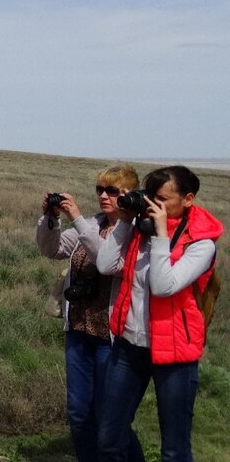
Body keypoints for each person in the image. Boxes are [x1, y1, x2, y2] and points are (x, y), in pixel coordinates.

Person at [95, 165, 223, 462]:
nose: (153, 204)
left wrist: (162, 234)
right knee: (109, 438)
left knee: (174, 449)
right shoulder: (141, 226)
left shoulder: (202, 243)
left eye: (162, 199)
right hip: (129, 347)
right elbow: (104, 265)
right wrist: (125, 223)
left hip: (175, 354)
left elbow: (164, 286)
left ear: (188, 199)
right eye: (150, 196)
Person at [36, 165, 142, 462]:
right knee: (79, 413)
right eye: (100, 190)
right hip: (79, 332)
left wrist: (77, 219)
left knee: (110, 417)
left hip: (113, 338)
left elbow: (108, 261)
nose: (104, 196)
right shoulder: (92, 224)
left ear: (130, 195)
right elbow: (51, 249)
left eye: (113, 191)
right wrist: (51, 218)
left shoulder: (134, 234)